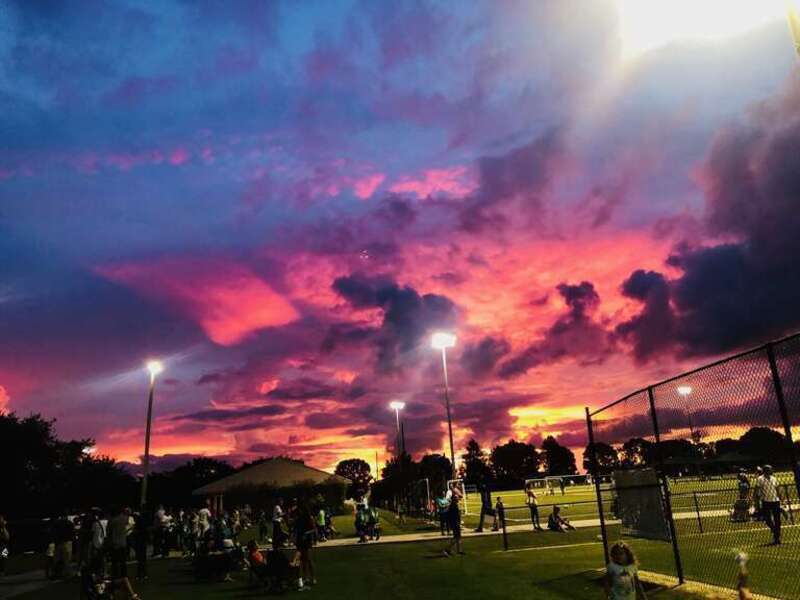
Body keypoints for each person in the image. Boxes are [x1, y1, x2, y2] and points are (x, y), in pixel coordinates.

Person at [756, 465, 783, 545]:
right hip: (766, 501)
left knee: (777, 520)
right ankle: (774, 530)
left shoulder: (773, 478)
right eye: (771, 469)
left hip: (775, 501)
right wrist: (755, 498)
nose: (772, 470)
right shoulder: (760, 479)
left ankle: (776, 538)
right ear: (766, 470)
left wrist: (781, 498)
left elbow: (777, 488)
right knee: (767, 519)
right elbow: (757, 489)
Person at [291, 502, 316, 589]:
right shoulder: (298, 519)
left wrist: (306, 533)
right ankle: (305, 577)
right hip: (300, 541)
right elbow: (295, 529)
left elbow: (314, 529)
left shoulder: (309, 518)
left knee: (308, 559)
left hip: (307, 541)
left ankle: (313, 577)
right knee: (302, 560)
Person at [107, 507, 131, 579]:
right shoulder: (124, 518)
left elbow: (109, 532)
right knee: (123, 561)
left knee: (115, 562)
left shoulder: (112, 520)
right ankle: (124, 575)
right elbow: (127, 519)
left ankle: (115, 575)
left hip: (115, 543)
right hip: (123, 542)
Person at [442, 482, 464, 557]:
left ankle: (459, 551)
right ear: (454, 499)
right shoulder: (453, 506)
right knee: (456, 538)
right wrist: (455, 523)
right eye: (457, 498)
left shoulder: (455, 505)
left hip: (456, 523)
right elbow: (453, 516)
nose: (458, 499)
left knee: (459, 537)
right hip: (455, 524)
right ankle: (447, 550)